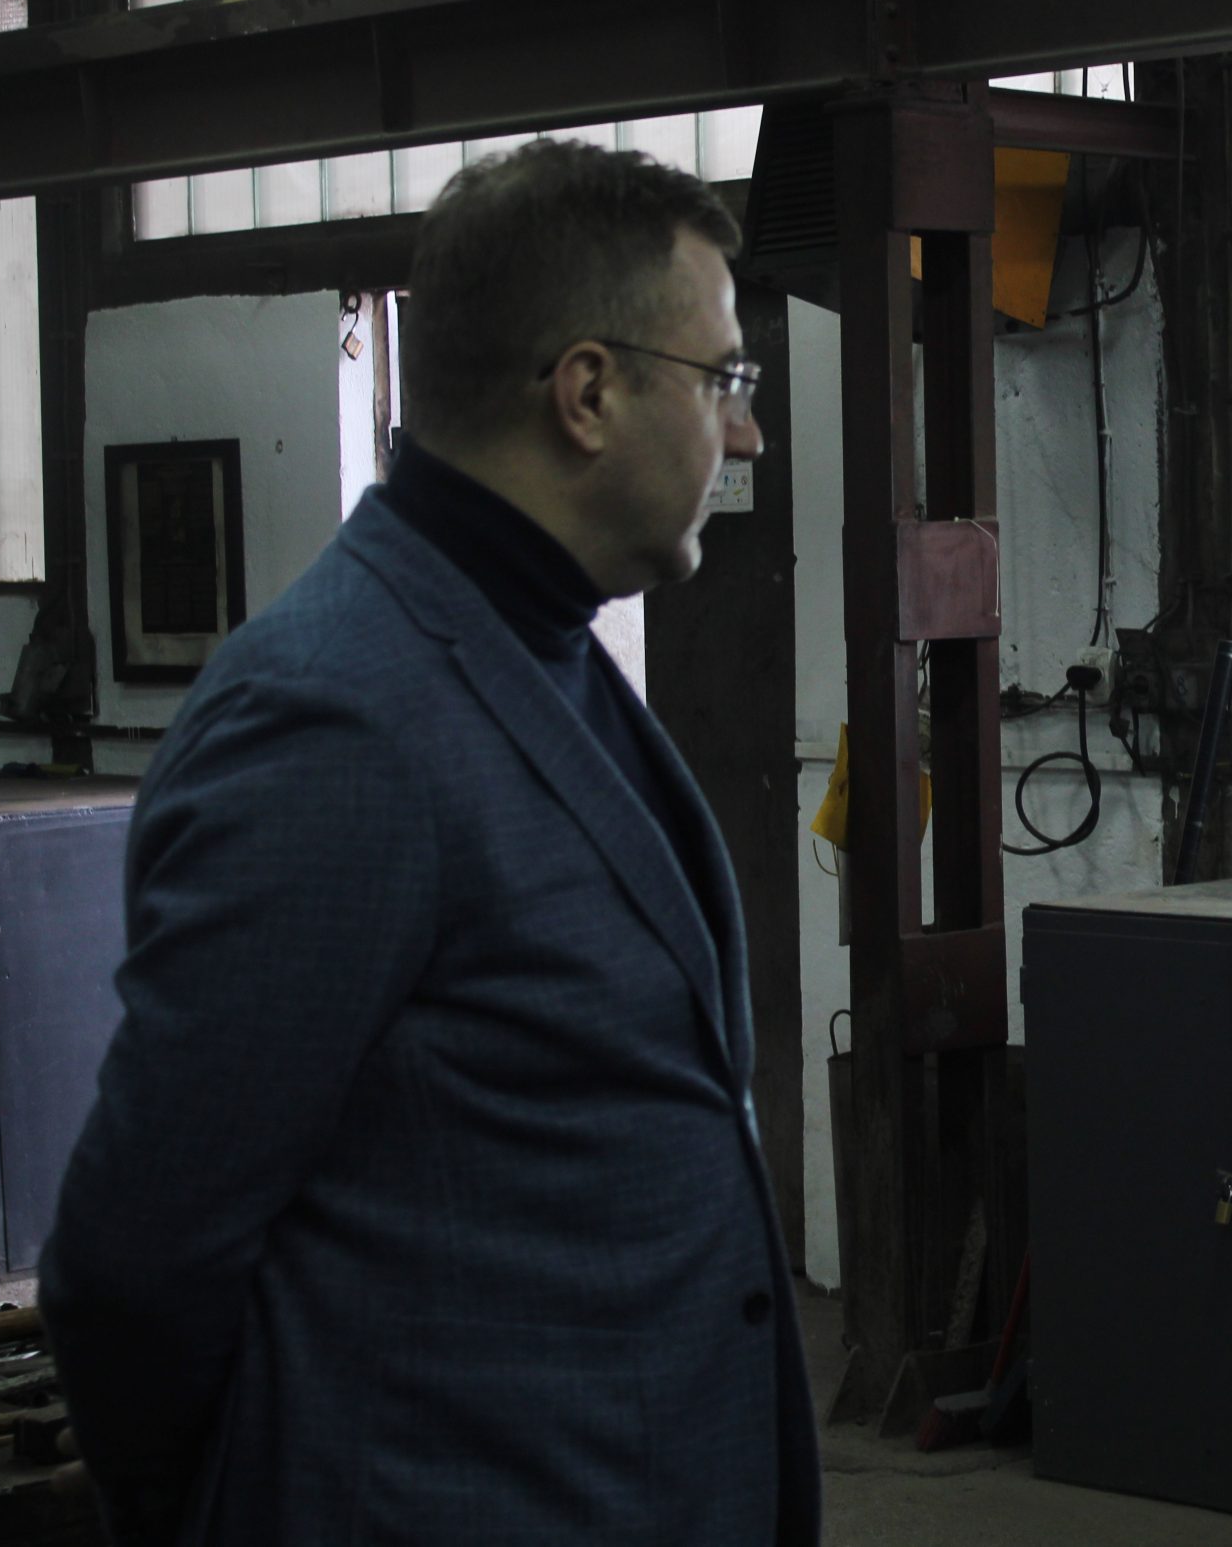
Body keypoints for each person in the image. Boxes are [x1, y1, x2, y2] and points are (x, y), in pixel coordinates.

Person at [42, 140, 819, 1547]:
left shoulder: (542, 655)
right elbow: (139, 1257)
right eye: (725, 379)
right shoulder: (336, 719)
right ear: (589, 392)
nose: (748, 432)